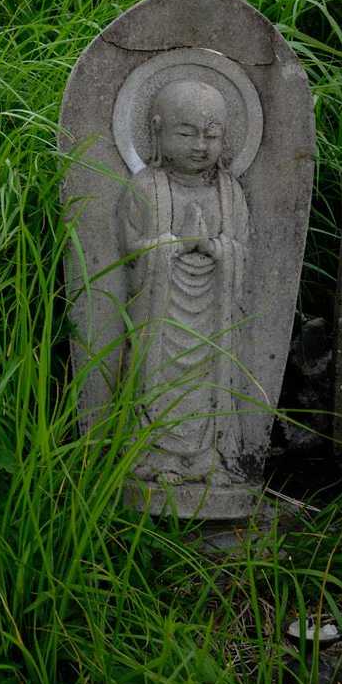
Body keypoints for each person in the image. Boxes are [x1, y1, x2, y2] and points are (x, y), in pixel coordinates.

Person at [117, 79, 251, 486]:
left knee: (212, 378)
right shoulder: (146, 187)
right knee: (155, 375)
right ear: (157, 131)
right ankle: (157, 457)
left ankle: (207, 459)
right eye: (187, 133)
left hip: (213, 313)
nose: (200, 146)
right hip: (161, 311)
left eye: (212, 135)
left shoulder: (230, 192)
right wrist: (172, 246)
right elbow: (131, 251)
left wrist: (213, 247)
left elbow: (242, 249)